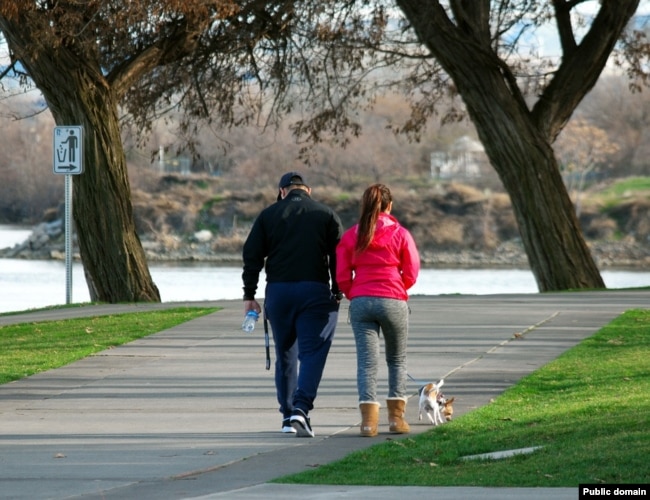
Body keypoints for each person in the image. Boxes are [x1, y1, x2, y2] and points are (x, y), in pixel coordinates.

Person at [242, 172, 344, 437]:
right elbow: (338, 255)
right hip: (314, 290)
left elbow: (252, 255)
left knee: (285, 355)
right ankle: (301, 409)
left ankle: (288, 417)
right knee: (312, 353)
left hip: (279, 292)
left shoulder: (268, 215)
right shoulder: (326, 214)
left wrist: (249, 295)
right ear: (308, 190)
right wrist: (337, 289)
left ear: (282, 191)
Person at [336, 183, 420, 437]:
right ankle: (396, 419)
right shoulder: (401, 234)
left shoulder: (352, 235)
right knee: (396, 359)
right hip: (393, 299)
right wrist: (398, 288)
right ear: (389, 205)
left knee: (366, 363)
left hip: (362, 300)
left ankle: (368, 424)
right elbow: (412, 271)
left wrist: (355, 292)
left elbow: (341, 275)